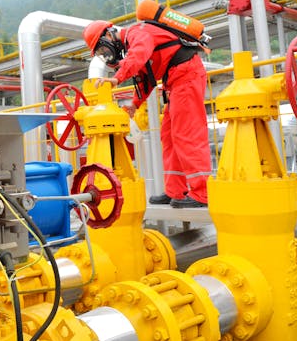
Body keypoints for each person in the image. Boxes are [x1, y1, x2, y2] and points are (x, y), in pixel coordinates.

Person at [82, 17, 211, 209]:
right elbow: (146, 79)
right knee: (168, 135)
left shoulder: (137, 33)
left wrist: (117, 79)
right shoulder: (134, 43)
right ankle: (176, 191)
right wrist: (134, 104)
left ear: (108, 35)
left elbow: (139, 55)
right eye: (101, 53)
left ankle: (202, 192)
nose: (106, 55)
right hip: (176, 82)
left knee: (187, 134)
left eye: (103, 49)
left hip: (186, 76)